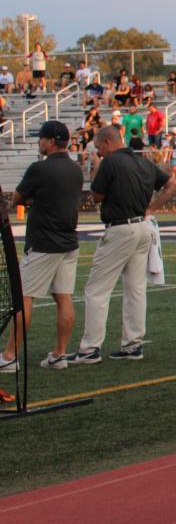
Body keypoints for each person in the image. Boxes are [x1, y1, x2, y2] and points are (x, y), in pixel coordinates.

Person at [70, 124, 176, 363]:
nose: (99, 153)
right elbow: (173, 185)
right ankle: (133, 345)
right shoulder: (143, 162)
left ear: (108, 143)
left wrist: (98, 168)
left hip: (120, 228)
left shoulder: (111, 162)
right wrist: (152, 207)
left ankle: (90, 348)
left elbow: (97, 195)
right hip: (143, 226)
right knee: (136, 289)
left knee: (97, 289)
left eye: (99, 148)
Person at [0, 121, 83, 372]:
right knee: (64, 298)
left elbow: (16, 198)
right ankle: (60, 354)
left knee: (23, 298)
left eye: (41, 139)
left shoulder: (40, 168)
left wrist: (34, 197)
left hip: (44, 243)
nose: (39, 142)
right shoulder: (76, 168)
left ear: (49, 141)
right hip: (69, 242)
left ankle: (10, 356)